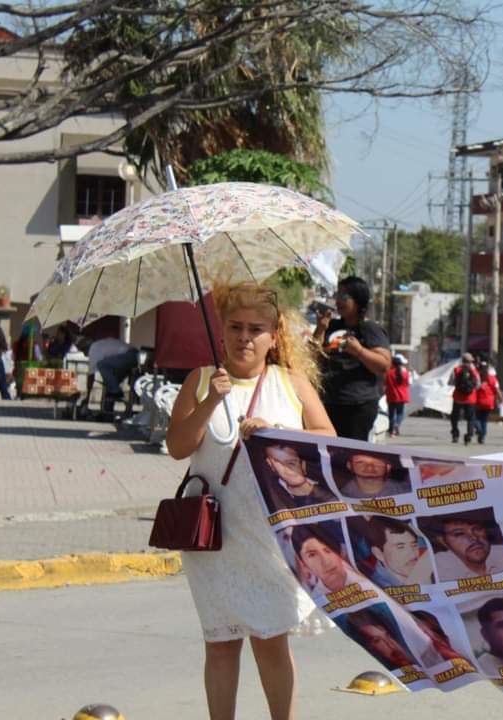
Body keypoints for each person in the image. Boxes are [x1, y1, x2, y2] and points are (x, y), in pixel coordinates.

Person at [166, 282, 337, 720]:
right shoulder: (201, 380)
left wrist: (276, 435)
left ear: (273, 336)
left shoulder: (289, 383)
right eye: (236, 327)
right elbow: (178, 446)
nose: (245, 337)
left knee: (271, 641)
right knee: (220, 642)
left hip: (272, 536)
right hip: (215, 537)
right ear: (221, 332)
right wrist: (210, 402)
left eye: (255, 329)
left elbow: (327, 438)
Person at [314, 276, 392, 440]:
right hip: (329, 401)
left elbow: (384, 365)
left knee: (352, 458)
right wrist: (320, 329)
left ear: (358, 300)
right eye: (337, 296)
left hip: (358, 406)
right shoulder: (332, 325)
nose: (338, 301)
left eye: (344, 297)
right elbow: (313, 356)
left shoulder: (369, 329)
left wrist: (360, 352)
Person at [290, 524, 363, 597]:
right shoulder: (315, 599)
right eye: (312, 555)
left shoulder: (365, 578)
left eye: (328, 550)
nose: (326, 562)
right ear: (304, 564)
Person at [432, 516, 503, 580]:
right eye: (459, 533)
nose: (474, 538)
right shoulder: (438, 566)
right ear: (443, 541)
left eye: (477, 529)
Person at [261, 443, 336, 511]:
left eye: (293, 462)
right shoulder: (272, 495)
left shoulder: (332, 487)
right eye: (279, 462)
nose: (289, 468)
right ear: (270, 464)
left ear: (303, 461)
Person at [367, 517, 434, 586]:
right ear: (378, 554)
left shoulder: (423, 571)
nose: (413, 554)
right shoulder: (376, 586)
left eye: (414, 545)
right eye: (401, 547)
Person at [335, 451, 410, 498]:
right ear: (349, 465)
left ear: (388, 467)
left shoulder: (407, 492)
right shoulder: (339, 496)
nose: (369, 467)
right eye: (360, 462)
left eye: (377, 463)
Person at [472, 357, 503, 445]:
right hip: (489, 403)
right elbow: (497, 390)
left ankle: (479, 429)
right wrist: (502, 400)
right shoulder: (493, 379)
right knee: (484, 420)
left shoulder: (478, 377)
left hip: (478, 402)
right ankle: (482, 437)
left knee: (475, 418)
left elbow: (473, 389)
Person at [450, 352, 480, 445]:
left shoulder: (456, 370)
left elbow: (451, 382)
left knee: (455, 417)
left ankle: (455, 434)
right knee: (470, 418)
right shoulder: (474, 371)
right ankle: (468, 436)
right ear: (471, 361)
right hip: (470, 399)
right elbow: (478, 385)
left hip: (458, 398)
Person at [384, 354, 411, 437]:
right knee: (400, 413)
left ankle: (391, 431)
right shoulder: (405, 372)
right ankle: (397, 424)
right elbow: (408, 383)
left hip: (391, 396)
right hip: (402, 396)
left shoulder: (388, 373)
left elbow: (385, 383)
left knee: (391, 414)